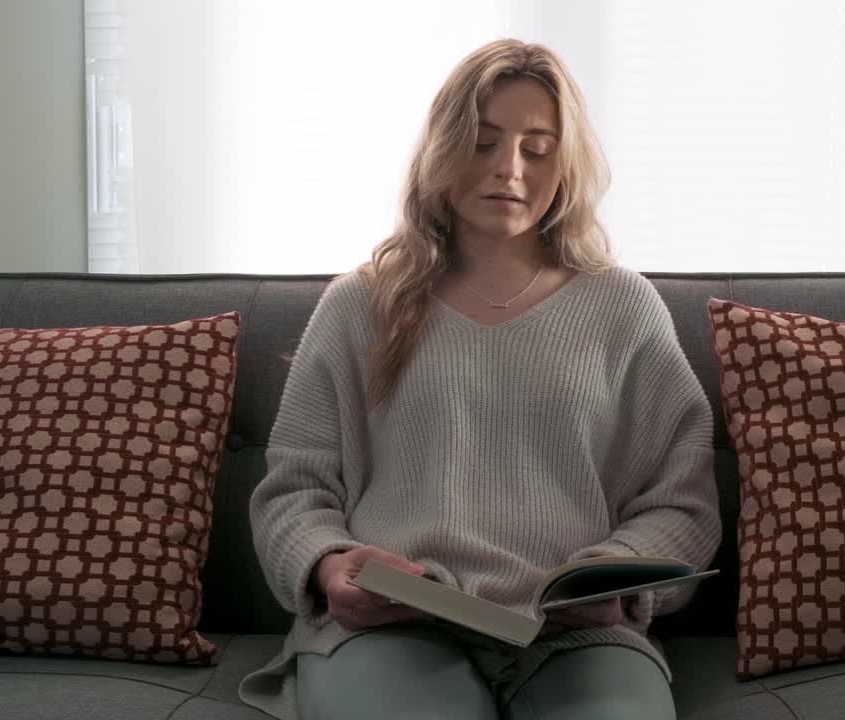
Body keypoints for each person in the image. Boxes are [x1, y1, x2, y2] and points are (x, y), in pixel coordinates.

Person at [238, 38, 721, 720]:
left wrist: (621, 579)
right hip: (392, 626)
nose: (509, 169)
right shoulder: (358, 305)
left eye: (537, 146)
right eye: (485, 141)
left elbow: (684, 503)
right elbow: (293, 488)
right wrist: (326, 563)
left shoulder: (624, 307)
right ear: (444, 149)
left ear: (566, 160)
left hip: (577, 634)